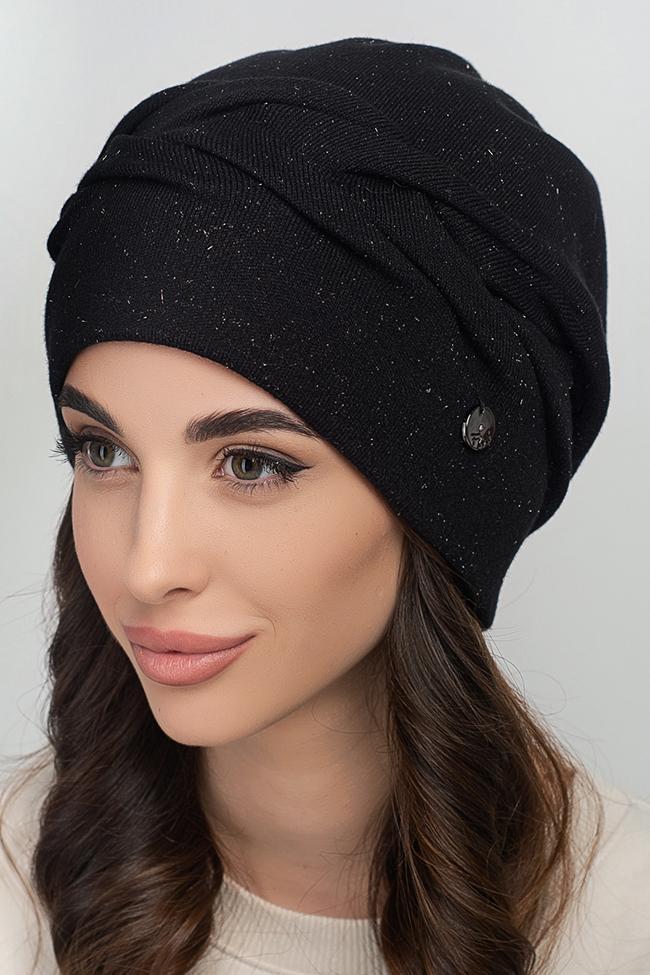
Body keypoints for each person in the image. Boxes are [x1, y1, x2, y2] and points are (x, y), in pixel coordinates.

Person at [2, 35, 649, 975]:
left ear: (445, 503)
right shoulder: (17, 888)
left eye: (252, 463)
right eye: (103, 451)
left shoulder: (623, 924)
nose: (149, 565)